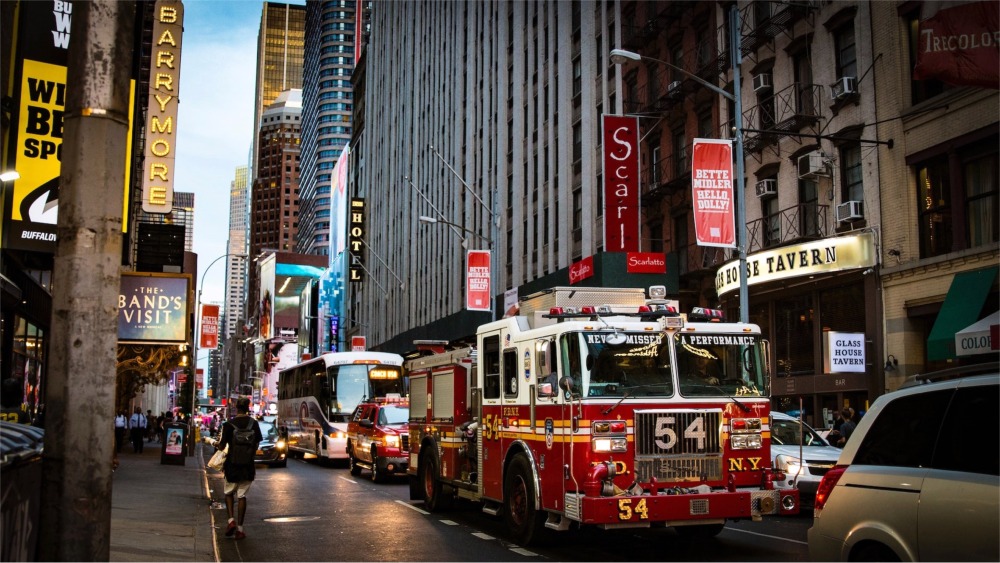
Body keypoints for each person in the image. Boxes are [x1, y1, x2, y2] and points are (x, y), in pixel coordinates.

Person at [217, 397, 262, 540]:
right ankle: (240, 529)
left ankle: (231, 521)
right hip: (247, 466)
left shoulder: (228, 424)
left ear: (236, 408)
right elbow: (256, 444)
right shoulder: (253, 424)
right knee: (242, 496)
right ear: (248, 408)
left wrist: (217, 445)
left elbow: (222, 446)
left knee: (229, 493)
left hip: (232, 464)